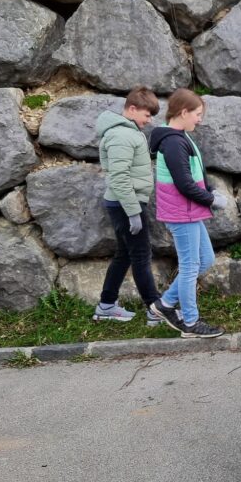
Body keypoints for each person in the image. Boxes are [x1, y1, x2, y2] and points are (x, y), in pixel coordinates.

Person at [147, 89, 226, 338]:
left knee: (206, 259)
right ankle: (190, 323)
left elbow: (195, 173)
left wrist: (210, 190)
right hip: (182, 213)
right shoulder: (172, 143)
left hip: (189, 212)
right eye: (197, 114)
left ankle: (165, 304)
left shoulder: (180, 137)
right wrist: (212, 200)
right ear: (183, 112)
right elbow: (184, 184)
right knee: (190, 266)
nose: (200, 120)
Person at [94, 86, 163, 323]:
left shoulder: (128, 132)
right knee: (141, 255)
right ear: (132, 109)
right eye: (147, 114)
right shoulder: (121, 135)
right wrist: (133, 212)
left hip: (126, 202)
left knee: (124, 254)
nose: (149, 120)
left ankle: (106, 305)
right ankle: (155, 309)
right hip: (126, 204)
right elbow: (119, 177)